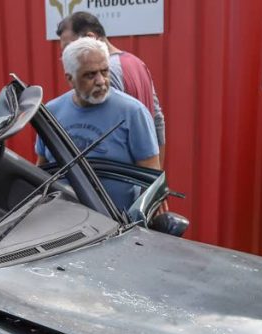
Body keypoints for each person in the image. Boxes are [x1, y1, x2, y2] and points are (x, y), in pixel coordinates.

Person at [36, 37, 159, 211]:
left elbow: (151, 178)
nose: (101, 81)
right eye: (90, 75)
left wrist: (139, 221)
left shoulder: (133, 113)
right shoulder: (51, 112)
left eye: (105, 71)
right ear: (70, 79)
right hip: (60, 223)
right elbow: (42, 168)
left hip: (116, 227)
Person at [56, 11, 167, 166]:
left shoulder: (109, 71)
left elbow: (102, 130)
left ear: (90, 38)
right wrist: (156, 173)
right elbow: (157, 119)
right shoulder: (136, 62)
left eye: (69, 47)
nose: (65, 56)